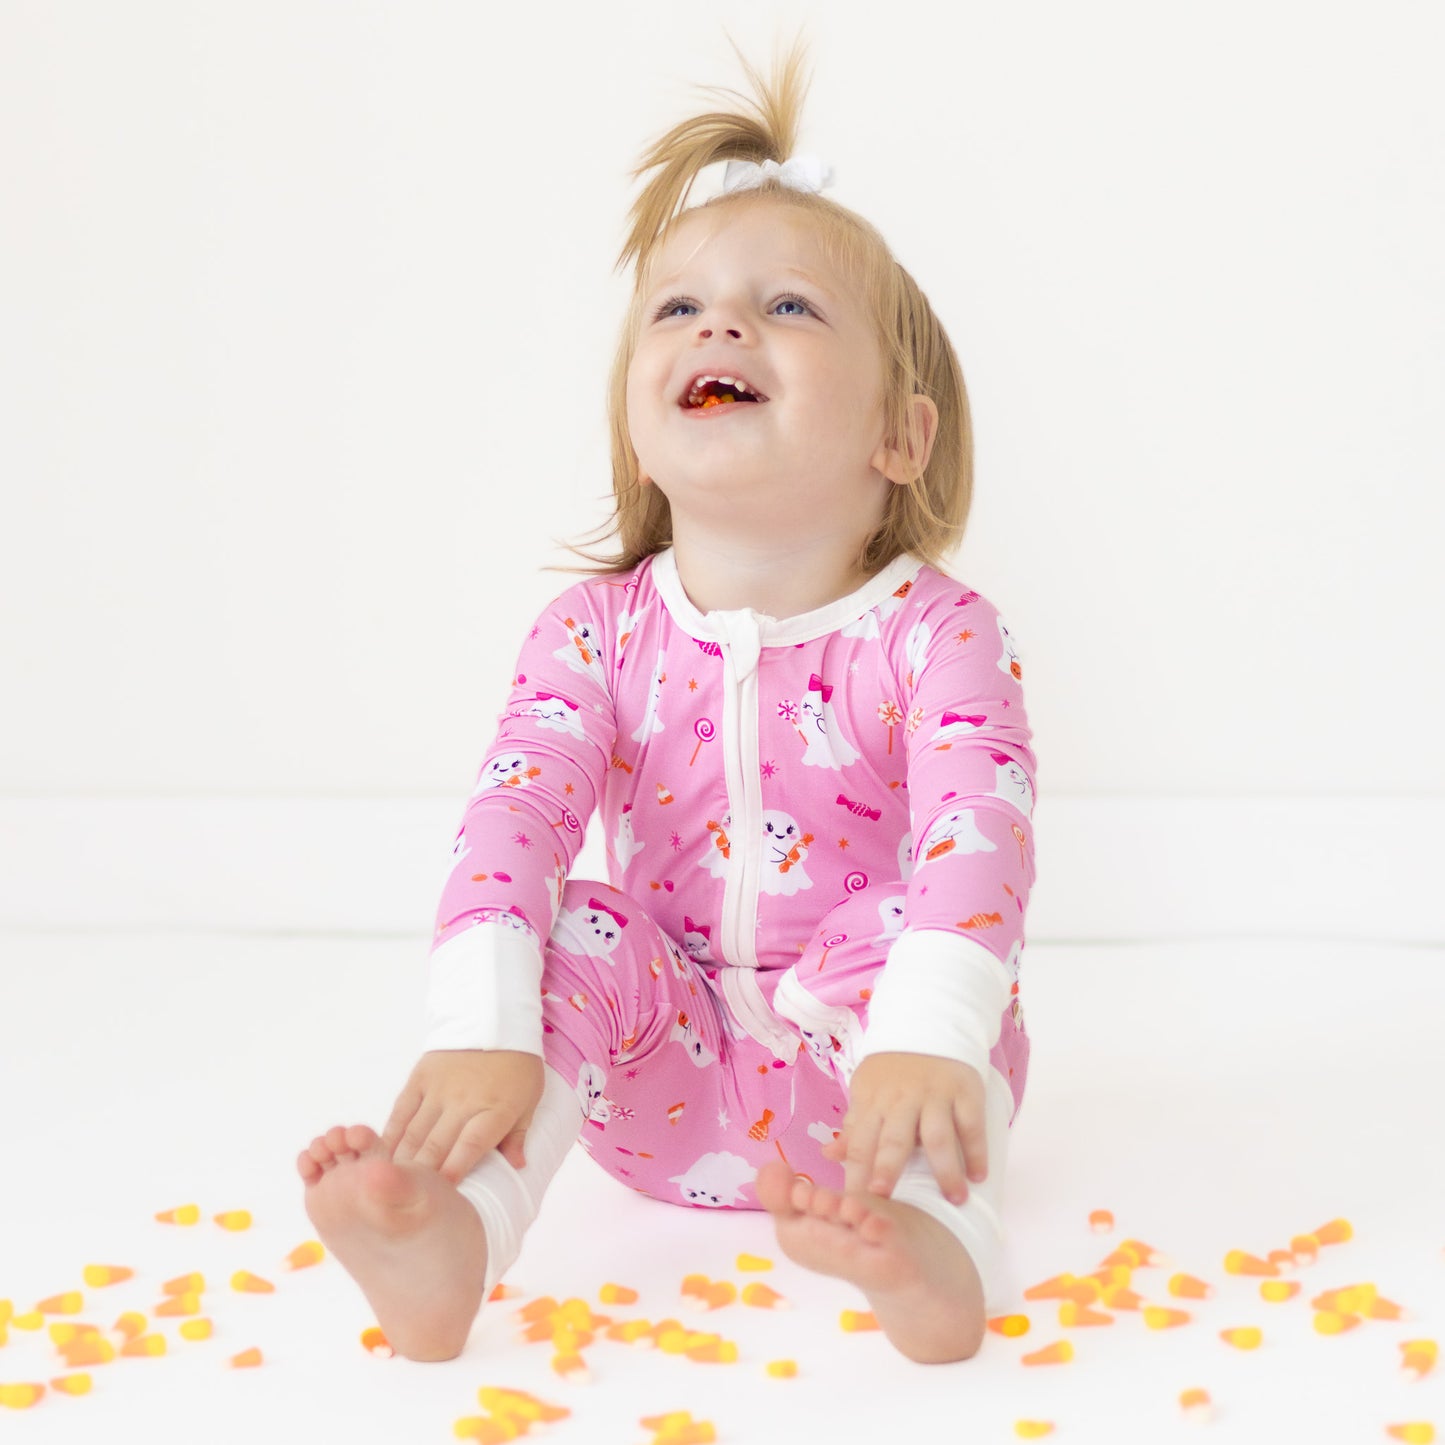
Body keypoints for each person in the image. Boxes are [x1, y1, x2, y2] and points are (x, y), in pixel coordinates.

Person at [297, 39, 1038, 1367]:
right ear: (639, 413)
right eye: (676, 308)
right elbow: (510, 822)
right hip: (661, 1081)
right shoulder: (593, 634)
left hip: (874, 1090)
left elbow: (978, 835)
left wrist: (923, 1038)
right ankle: (461, 1227)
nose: (720, 326)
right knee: (580, 916)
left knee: (909, 927)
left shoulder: (940, 635)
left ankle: (933, 1242)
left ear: (899, 437)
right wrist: (482, 1031)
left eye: (788, 308)